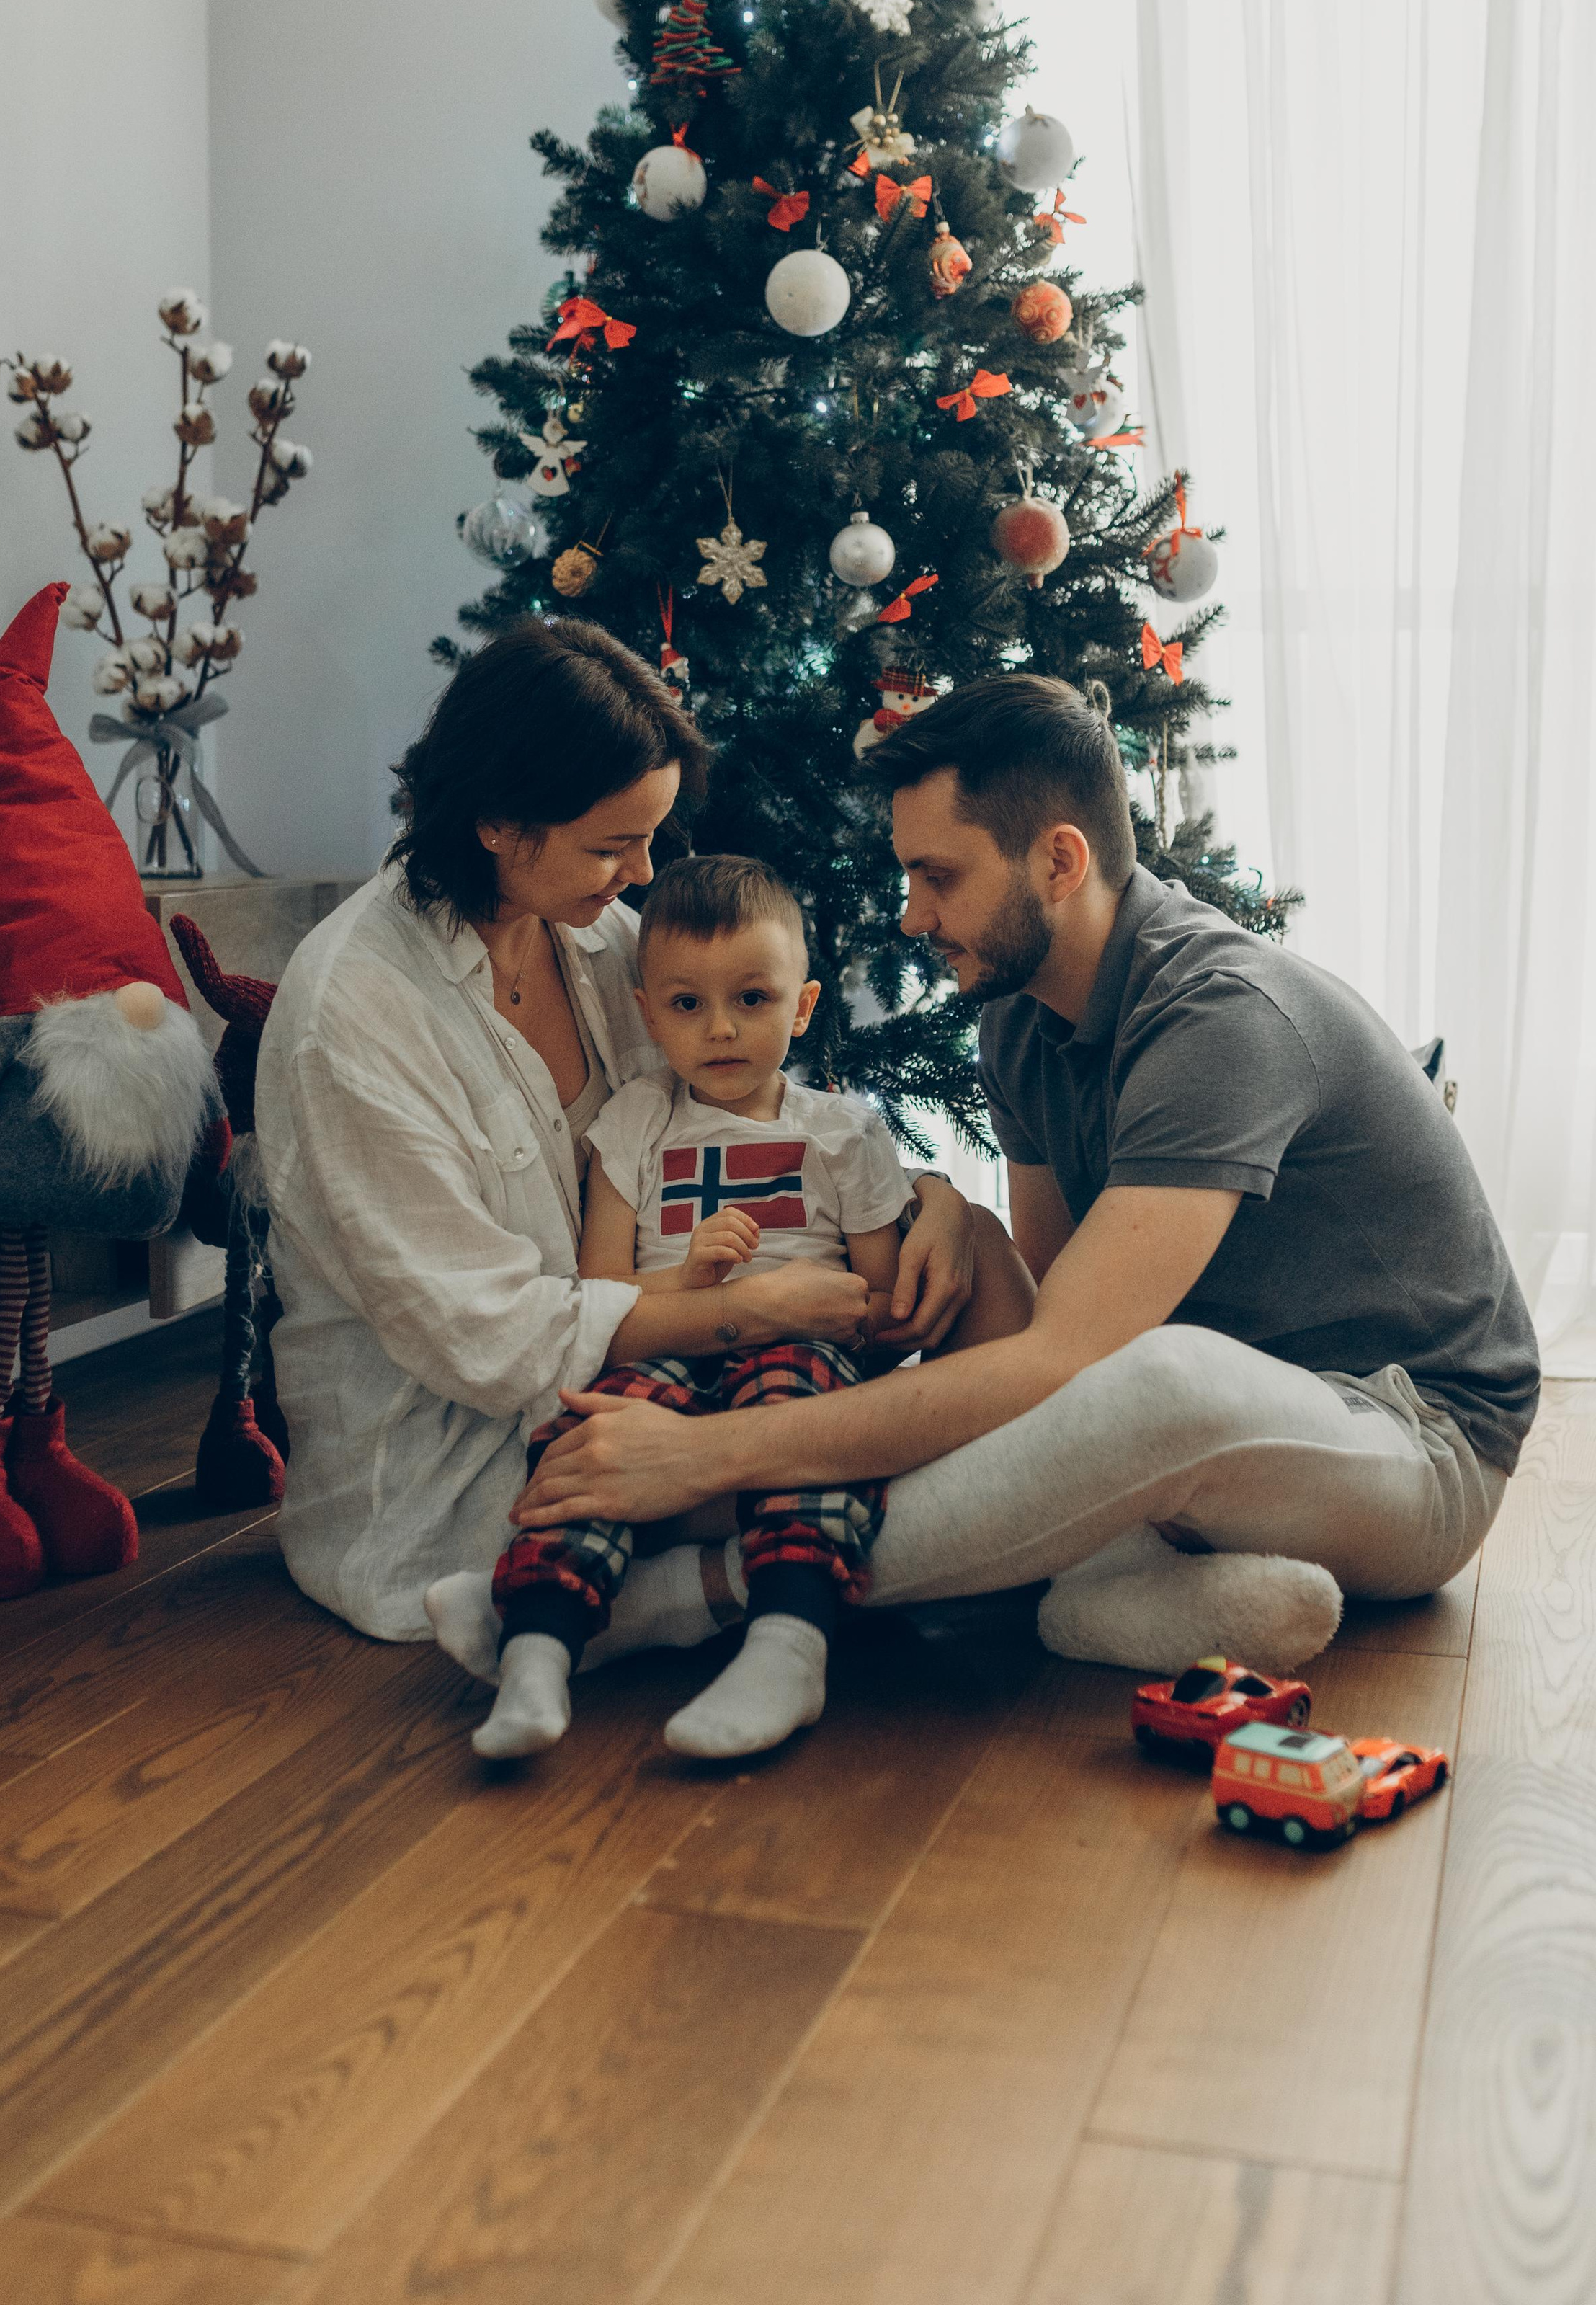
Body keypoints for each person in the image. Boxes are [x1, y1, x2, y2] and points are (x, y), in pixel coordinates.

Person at [504, 674, 1538, 1669]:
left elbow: (1071, 1362)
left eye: (940, 876)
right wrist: (947, 1205)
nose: (912, 914)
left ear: (1058, 860)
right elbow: (1046, 1305)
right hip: (1200, 1432)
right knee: (995, 1265)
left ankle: (684, 1596)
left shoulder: (1221, 1015)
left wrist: (714, 1455)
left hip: (1411, 1438)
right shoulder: (1022, 1016)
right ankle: (1104, 1582)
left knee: (1163, 1378)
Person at [251, 620, 981, 1648]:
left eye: (649, 837)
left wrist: (932, 1199)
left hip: (668, 1399)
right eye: (611, 844)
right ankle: (691, 1593)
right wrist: (745, 1313)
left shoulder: (603, 939)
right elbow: (488, 1334)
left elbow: (753, 1108)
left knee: (947, 1358)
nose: (641, 873)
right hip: (469, 1475)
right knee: (907, 1471)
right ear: (498, 822)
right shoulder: (353, 1013)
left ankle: (687, 1594)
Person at [453, 853, 911, 1763]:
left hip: (799, 1351)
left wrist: (824, 1314)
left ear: (803, 1005)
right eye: (687, 1005)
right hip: (661, 1347)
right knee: (589, 1439)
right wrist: (701, 1283)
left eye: (752, 998)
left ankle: (788, 1646)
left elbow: (878, 1298)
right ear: (645, 1010)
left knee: (807, 1424)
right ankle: (537, 1652)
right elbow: (599, 1292)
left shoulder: (840, 1133)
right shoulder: (634, 1124)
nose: (722, 1031)